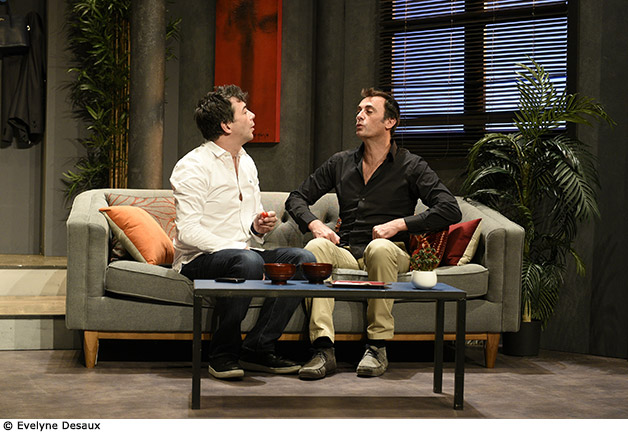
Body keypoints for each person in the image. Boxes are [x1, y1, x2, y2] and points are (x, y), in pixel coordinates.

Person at [285, 88, 462, 380]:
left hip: (391, 251)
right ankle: (323, 348)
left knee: (379, 247)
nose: (359, 116)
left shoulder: (411, 165)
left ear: (390, 122)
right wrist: (315, 224)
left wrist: (400, 224)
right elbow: (296, 198)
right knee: (315, 247)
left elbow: (449, 209)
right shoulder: (341, 162)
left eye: (369, 111)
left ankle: (377, 346)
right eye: (359, 110)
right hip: (347, 250)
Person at [170, 84, 316, 380]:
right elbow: (188, 232)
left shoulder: (247, 161)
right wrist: (239, 248)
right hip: (198, 259)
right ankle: (222, 354)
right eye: (245, 111)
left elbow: (248, 224)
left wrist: (256, 227)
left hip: (243, 254)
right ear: (226, 125)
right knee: (247, 260)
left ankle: (258, 347)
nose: (253, 116)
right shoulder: (193, 166)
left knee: (303, 259)